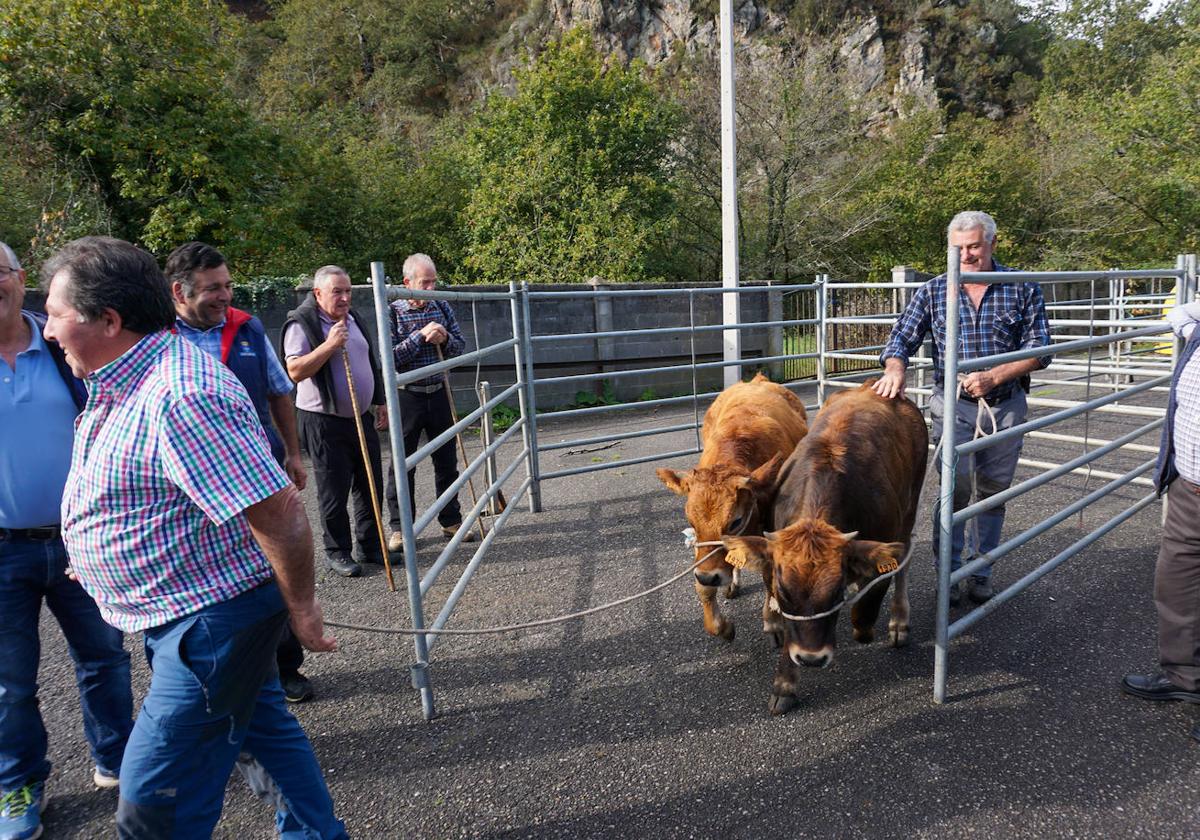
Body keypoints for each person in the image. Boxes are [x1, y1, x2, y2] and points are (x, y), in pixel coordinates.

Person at [41, 236, 346, 839]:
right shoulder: (130, 379)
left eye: (55, 315)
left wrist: (303, 609)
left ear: (109, 320)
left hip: (209, 622)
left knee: (154, 798)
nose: (47, 331)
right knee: (268, 736)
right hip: (194, 614)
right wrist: (97, 550)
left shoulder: (179, 394)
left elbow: (278, 511)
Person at [0, 240, 133, 840]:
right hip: (2, 549)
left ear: (18, 278)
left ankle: (117, 760)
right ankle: (17, 787)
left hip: (81, 539)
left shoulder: (60, 346)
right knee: (9, 684)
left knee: (105, 659)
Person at [872, 211, 1052, 606]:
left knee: (992, 493)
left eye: (973, 246)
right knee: (953, 491)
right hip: (953, 405)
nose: (966, 256)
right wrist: (895, 369)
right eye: (959, 248)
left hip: (1004, 405)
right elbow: (901, 338)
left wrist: (996, 375)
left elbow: (1041, 349)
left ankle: (981, 570)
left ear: (992, 243)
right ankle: (949, 574)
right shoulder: (935, 290)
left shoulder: (1020, 287)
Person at [165, 241, 314, 704]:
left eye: (227, 285)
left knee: (271, 568)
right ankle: (227, 671)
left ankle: (284, 666)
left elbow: (278, 391)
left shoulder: (246, 329)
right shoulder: (155, 339)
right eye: (213, 288)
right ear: (179, 291)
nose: (225, 295)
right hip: (190, 485)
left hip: (256, 470)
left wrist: (292, 452)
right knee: (209, 578)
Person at [1122, 300, 1200, 729]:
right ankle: (1185, 676)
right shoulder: (1197, 331)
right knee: (1176, 583)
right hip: (1189, 483)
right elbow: (1181, 315)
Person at [283, 266, 389, 578]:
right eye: (337, 292)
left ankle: (370, 546)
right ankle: (337, 551)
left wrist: (379, 400)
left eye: (348, 291)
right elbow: (295, 371)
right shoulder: (301, 323)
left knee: (369, 484)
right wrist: (329, 345)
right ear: (317, 294)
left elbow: (370, 360)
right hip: (323, 420)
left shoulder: (353, 318)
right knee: (334, 489)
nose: (345, 298)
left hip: (360, 416)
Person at [385, 253, 477, 553]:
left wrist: (445, 337)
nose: (431, 288)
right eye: (425, 282)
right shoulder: (392, 311)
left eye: (433, 281)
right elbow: (390, 358)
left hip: (439, 390)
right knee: (402, 464)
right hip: (407, 394)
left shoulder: (441, 306)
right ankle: (400, 528)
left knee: (446, 459)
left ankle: (451, 520)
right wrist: (421, 337)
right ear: (407, 283)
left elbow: (460, 346)